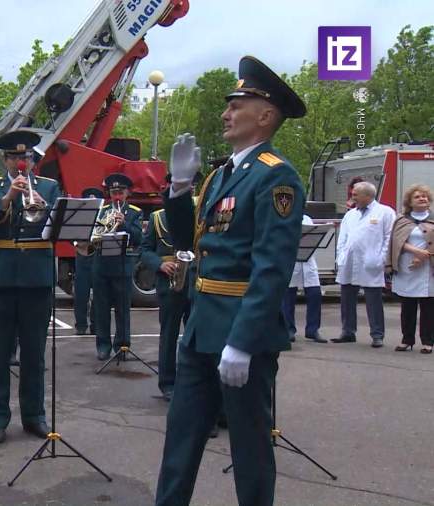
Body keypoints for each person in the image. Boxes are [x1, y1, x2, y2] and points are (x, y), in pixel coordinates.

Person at [155, 56, 307, 506]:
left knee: (250, 446)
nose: (225, 113)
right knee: (180, 439)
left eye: (236, 105)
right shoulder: (223, 174)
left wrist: (241, 342)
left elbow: (272, 269)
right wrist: (180, 190)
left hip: (243, 334)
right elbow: (188, 238)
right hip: (202, 327)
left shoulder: (276, 175)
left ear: (265, 114)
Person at [0, 129, 58, 444]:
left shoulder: (49, 186)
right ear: (6, 160)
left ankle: (34, 417)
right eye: (17, 157)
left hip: (37, 278)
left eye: (28, 157)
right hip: (1, 280)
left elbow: (58, 228)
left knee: (34, 354)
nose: (23, 162)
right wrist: (8, 198)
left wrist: (45, 209)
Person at [331, 181, 395, 348]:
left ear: (367, 195)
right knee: (346, 299)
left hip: (371, 262)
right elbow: (342, 238)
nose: (352, 196)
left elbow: (389, 237)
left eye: (355, 194)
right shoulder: (350, 215)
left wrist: (382, 259)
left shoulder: (385, 212)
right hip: (349, 262)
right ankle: (348, 332)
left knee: (373, 300)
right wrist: (341, 256)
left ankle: (377, 334)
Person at [141, 206, 192, 402]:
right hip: (169, 283)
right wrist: (160, 264)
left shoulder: (198, 212)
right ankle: (168, 383)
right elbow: (145, 250)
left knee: (195, 335)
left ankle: (192, 382)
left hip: (194, 280)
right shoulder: (157, 217)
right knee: (169, 334)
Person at [92, 174, 142, 360]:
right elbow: (93, 234)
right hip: (102, 264)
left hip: (122, 264)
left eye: (121, 192)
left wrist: (125, 224)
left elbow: (138, 238)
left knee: (123, 309)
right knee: (101, 308)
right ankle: (102, 346)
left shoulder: (135, 212)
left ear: (127, 193)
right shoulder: (102, 210)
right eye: (114, 193)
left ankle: (122, 346)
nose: (117, 196)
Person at [388, 184, 434, 353]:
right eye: (418, 197)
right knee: (407, 306)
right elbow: (396, 241)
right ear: (410, 202)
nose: (423, 199)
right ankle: (407, 339)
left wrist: (423, 256)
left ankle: (428, 341)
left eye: (425, 196)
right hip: (407, 267)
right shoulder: (401, 220)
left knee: (428, 307)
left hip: (428, 269)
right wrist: (415, 251)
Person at [281, 215, 326, 343]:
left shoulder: (307, 219)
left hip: (308, 261)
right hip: (290, 261)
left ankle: (312, 330)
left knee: (315, 294)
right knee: (288, 297)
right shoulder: (284, 217)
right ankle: (288, 330)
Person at [73, 187, 102, 335]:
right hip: (82, 253)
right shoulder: (79, 216)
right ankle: (81, 325)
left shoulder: (103, 216)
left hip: (97, 254)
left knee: (98, 293)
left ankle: (96, 325)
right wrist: (76, 244)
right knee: (80, 293)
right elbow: (70, 233)